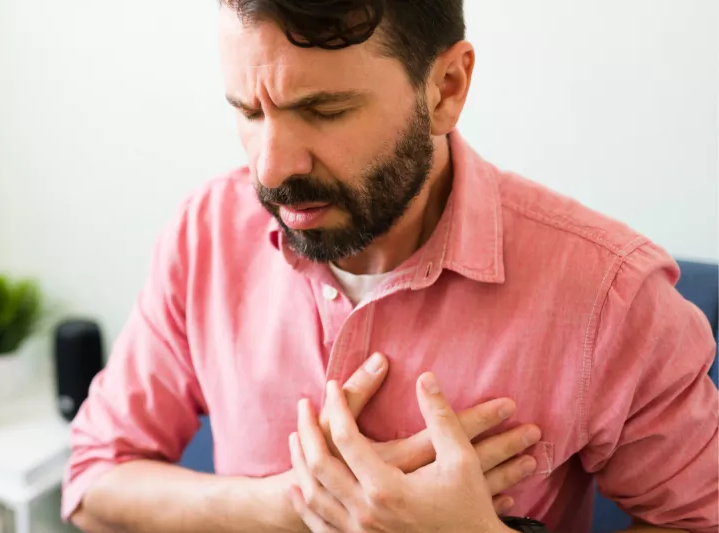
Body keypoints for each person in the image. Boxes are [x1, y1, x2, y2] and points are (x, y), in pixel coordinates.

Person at [62, 1, 719, 532]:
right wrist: (297, 504)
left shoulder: (611, 295)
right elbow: (94, 482)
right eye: (249, 112)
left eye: (323, 110)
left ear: (446, 88)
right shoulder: (203, 234)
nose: (271, 167)